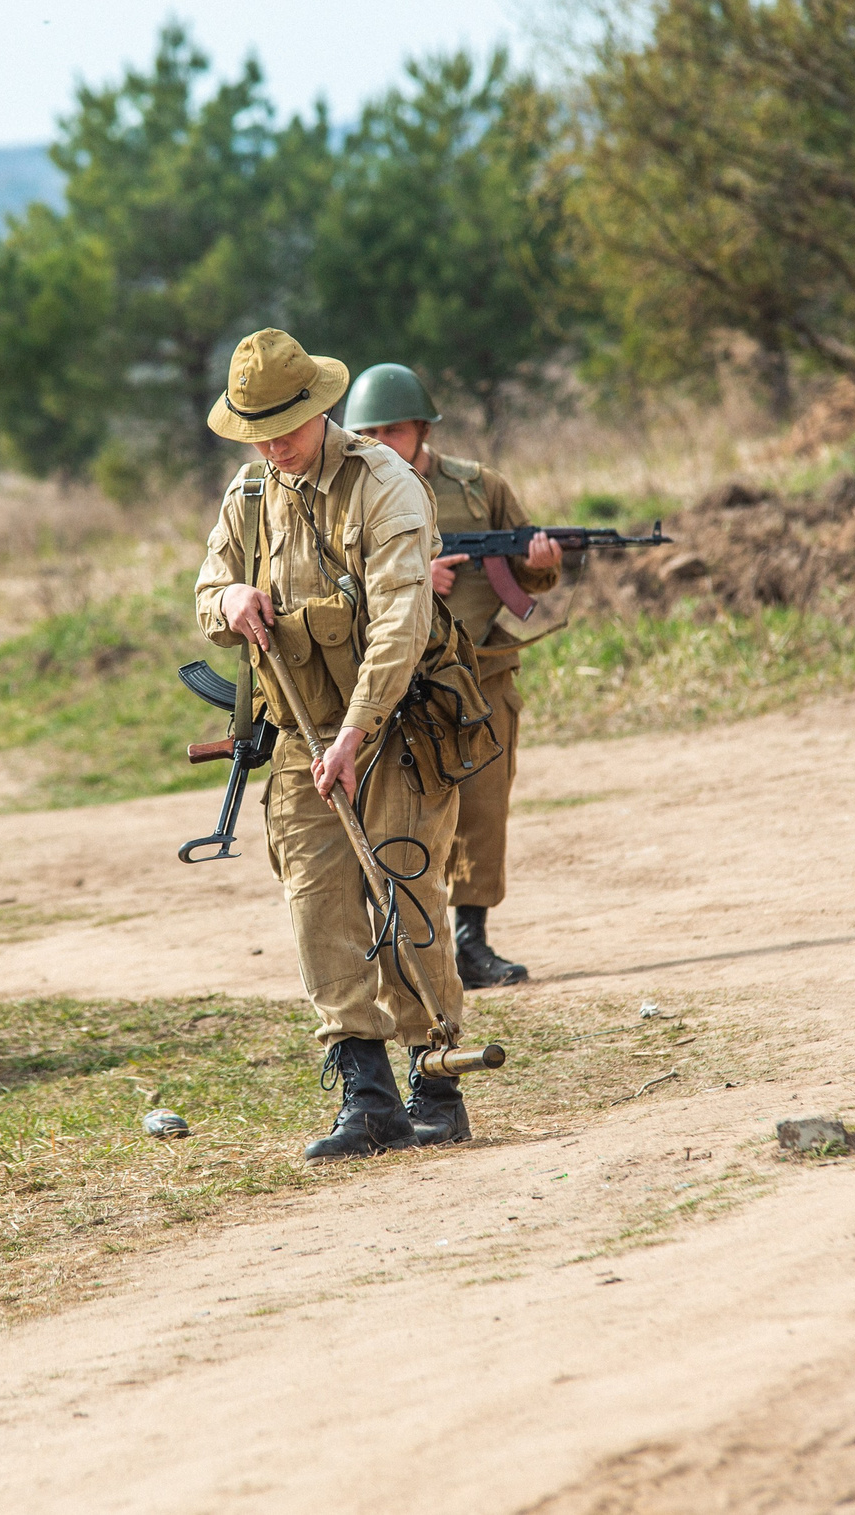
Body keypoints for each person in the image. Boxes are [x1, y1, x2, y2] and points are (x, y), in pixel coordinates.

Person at [194, 329, 484, 1154]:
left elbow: (401, 619)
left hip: (395, 725)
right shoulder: (249, 497)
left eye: (284, 424)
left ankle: (437, 1076)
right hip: (298, 736)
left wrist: (355, 733)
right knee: (317, 904)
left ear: (320, 408)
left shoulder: (384, 485)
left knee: (406, 888)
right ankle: (367, 1092)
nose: (271, 443)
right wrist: (233, 601)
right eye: (255, 428)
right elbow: (207, 591)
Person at [340, 364, 558, 989]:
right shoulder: (347, 496)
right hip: (388, 684)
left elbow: (525, 570)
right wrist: (407, 583)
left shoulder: (478, 487)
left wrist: (542, 565)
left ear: (423, 429)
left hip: (478, 678)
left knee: (483, 811)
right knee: (396, 817)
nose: (384, 441)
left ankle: (471, 941)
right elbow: (324, 582)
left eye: (396, 428)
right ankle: (401, 947)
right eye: (371, 431)